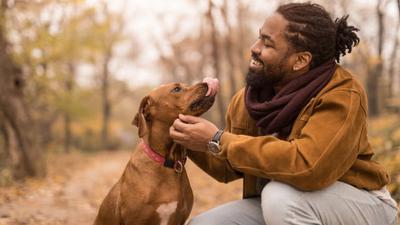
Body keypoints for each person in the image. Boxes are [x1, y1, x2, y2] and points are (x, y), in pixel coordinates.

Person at [169, 2, 398, 225]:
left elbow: (308, 166)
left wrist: (218, 139)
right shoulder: (250, 100)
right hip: (286, 202)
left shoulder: (341, 94)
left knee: (280, 198)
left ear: (300, 60)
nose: (254, 47)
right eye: (259, 36)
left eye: (267, 44)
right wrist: (188, 136)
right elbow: (228, 167)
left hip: (363, 205)